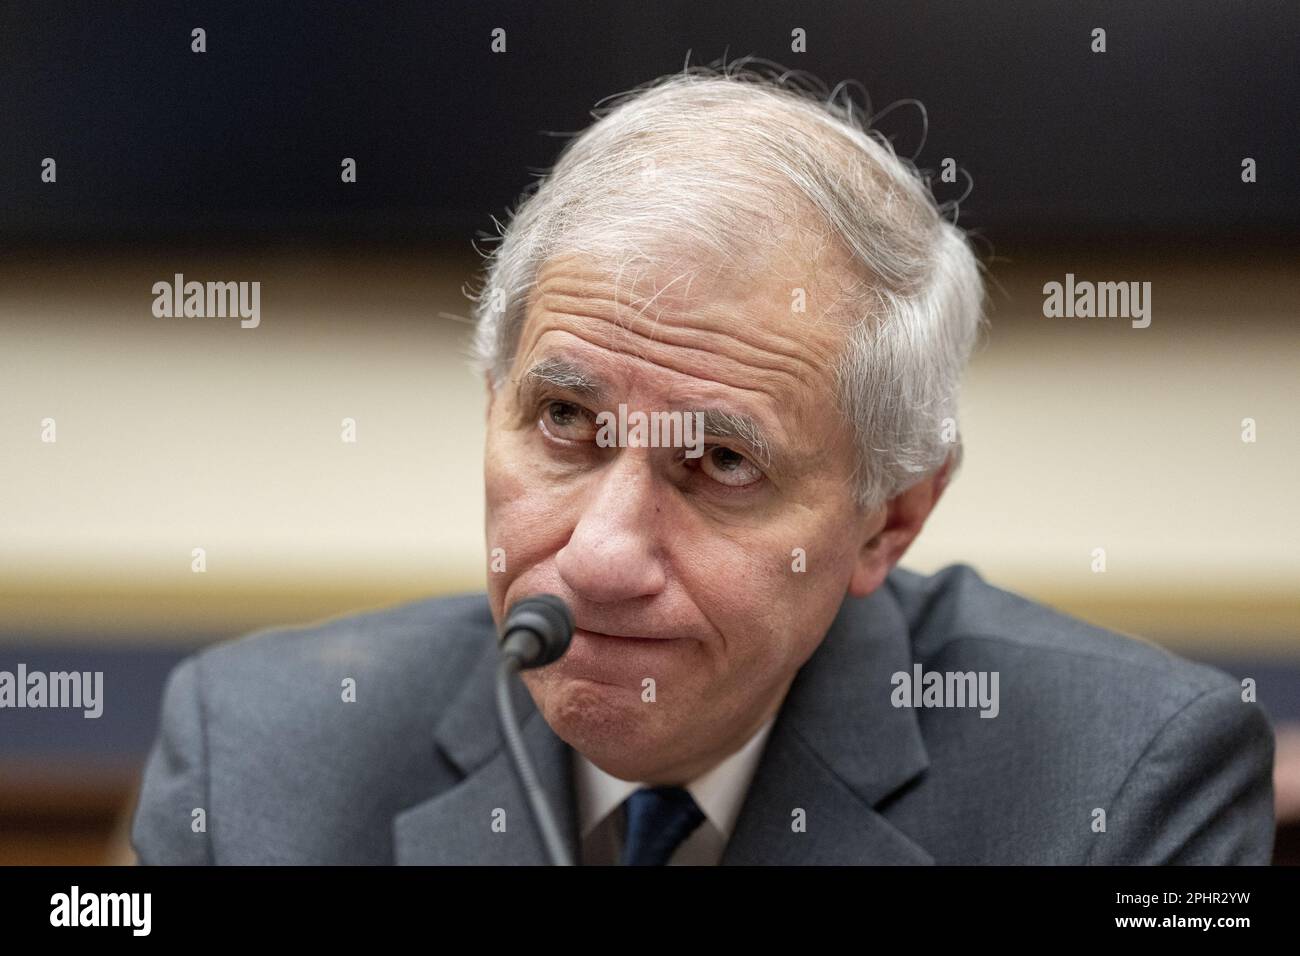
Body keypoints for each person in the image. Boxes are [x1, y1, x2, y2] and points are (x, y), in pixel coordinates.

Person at [131, 65, 1274, 865]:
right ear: (493, 406)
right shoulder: (257, 753)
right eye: (566, 422)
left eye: (722, 459)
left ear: (890, 519)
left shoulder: (1119, 782)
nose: (601, 555)